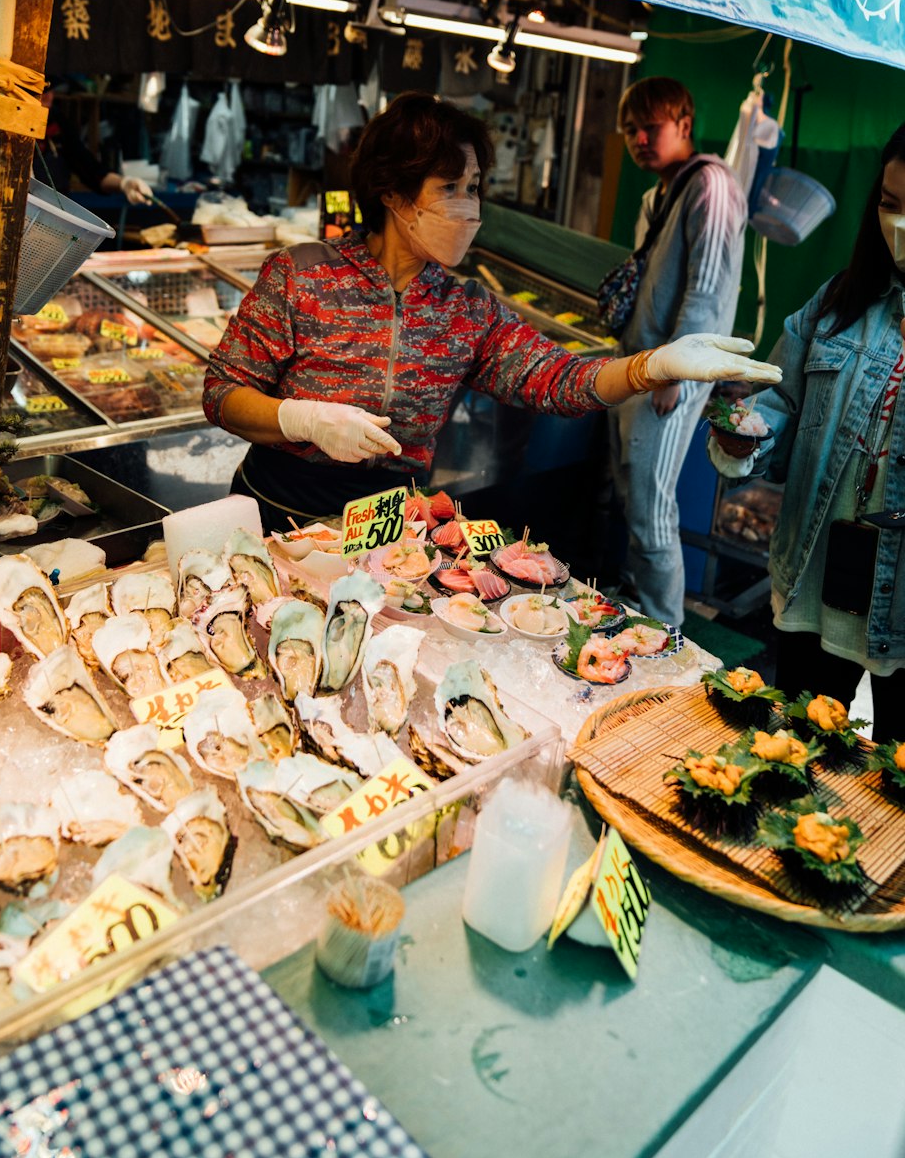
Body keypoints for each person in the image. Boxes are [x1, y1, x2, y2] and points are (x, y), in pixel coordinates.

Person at [203, 92, 780, 535]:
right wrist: (302, 419)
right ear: (393, 193)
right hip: (275, 512)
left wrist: (649, 367)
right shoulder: (302, 272)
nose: (470, 206)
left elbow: (560, 380)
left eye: (475, 187)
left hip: (383, 530)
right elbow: (223, 391)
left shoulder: (467, 308)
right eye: (450, 186)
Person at [709, 123, 905, 742]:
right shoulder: (837, 304)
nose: (898, 226)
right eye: (890, 204)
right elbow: (781, 406)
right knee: (792, 755)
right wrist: (745, 429)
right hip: (815, 585)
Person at [609, 76, 748, 625]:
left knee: (650, 507)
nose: (640, 138)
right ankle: (639, 612)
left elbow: (707, 291)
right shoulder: (656, 194)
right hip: (639, 367)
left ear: (684, 126)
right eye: (630, 130)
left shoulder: (711, 185)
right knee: (632, 498)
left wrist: (674, 374)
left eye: (652, 127)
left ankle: (666, 631)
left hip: (672, 374)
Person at [38, 86, 154, 204]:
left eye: (49, 90)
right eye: (41, 90)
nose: (47, 96)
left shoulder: (58, 122)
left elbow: (92, 171)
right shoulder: (20, 130)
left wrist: (124, 183)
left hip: (53, 212)